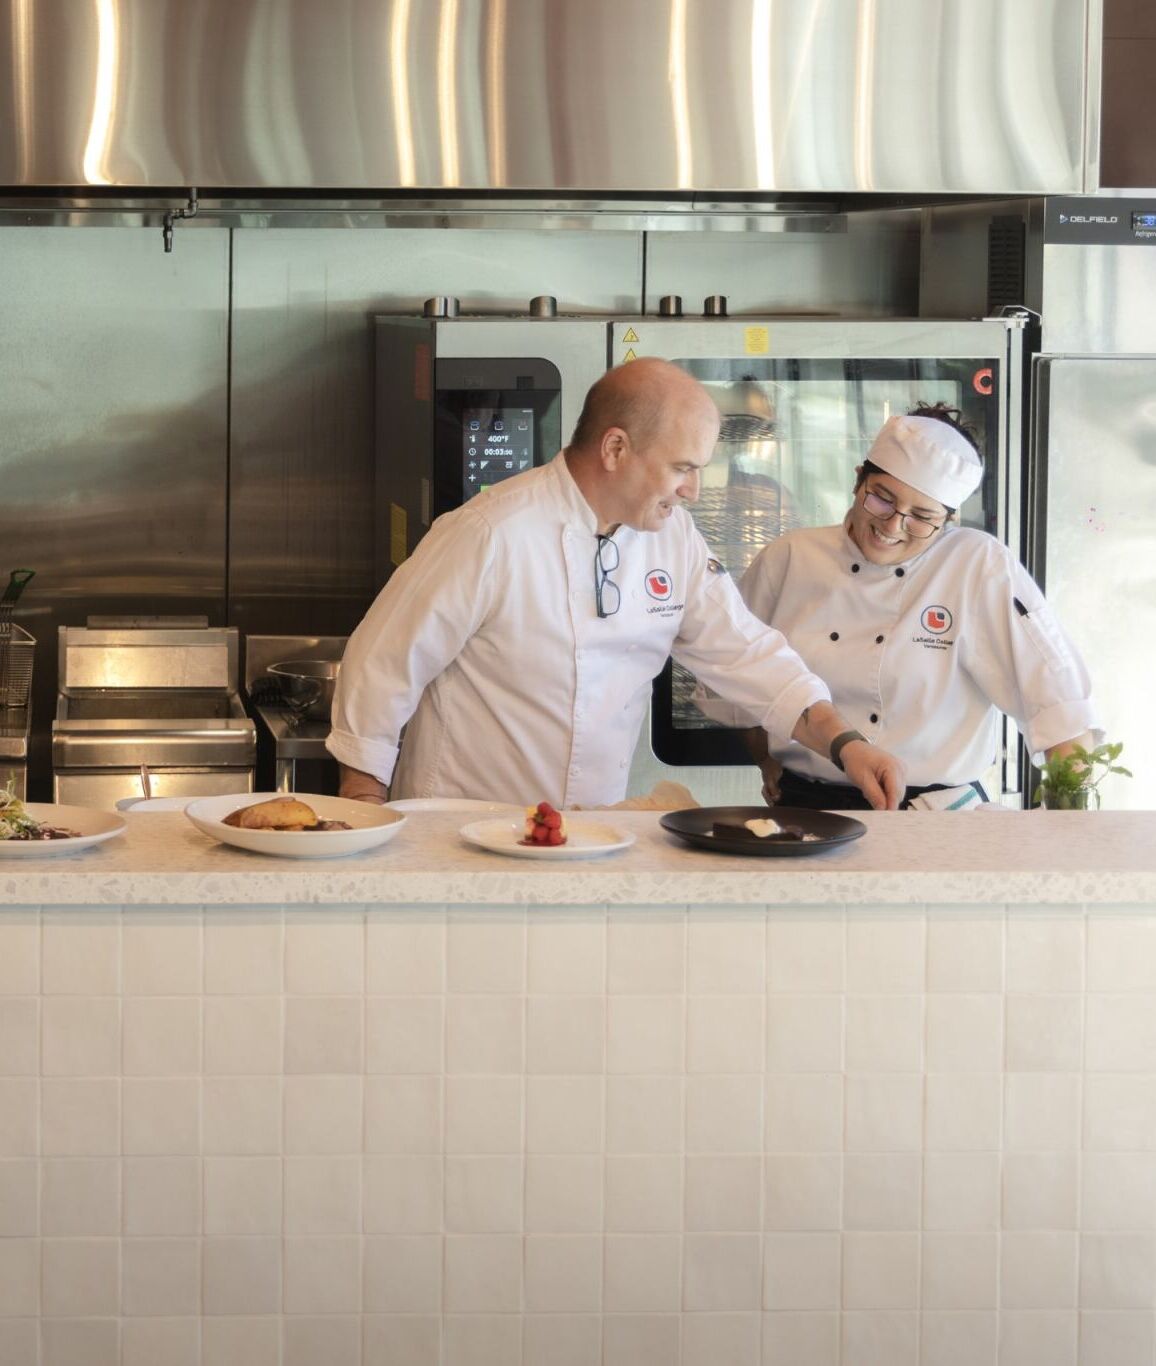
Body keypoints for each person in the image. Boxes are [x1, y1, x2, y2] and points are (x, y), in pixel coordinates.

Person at [327, 358, 906, 810]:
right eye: (682, 468)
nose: (694, 492)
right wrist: (363, 807)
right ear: (615, 448)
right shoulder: (490, 533)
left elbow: (748, 654)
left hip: (589, 839)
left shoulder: (672, 540)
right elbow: (382, 665)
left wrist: (845, 743)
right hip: (461, 831)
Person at [737, 403, 1102, 810]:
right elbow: (742, 678)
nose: (893, 526)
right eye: (882, 500)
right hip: (809, 806)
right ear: (859, 480)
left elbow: (1059, 701)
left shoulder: (976, 565)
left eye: (921, 517)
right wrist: (767, 761)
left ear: (948, 519)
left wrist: (1072, 823)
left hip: (937, 814)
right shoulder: (790, 557)